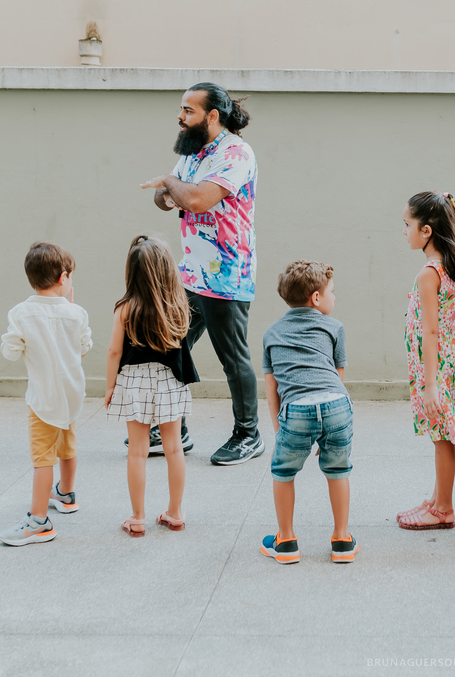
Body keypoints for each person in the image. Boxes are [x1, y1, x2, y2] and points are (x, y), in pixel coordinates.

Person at [140, 82, 261, 466]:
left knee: (232, 357)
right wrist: (173, 188)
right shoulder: (193, 152)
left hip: (226, 274)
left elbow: (195, 199)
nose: (180, 117)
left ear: (212, 116)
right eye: (181, 109)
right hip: (191, 273)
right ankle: (175, 429)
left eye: (188, 111)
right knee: (170, 346)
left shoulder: (235, 153)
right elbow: (164, 200)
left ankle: (249, 435)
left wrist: (171, 185)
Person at [260, 261, 357, 565]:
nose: (334, 297)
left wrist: (280, 430)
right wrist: (325, 427)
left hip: (296, 409)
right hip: (337, 406)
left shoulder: (271, 333)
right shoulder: (334, 327)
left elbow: (272, 388)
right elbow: (337, 378)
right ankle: (342, 540)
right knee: (338, 469)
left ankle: (286, 541)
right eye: (332, 291)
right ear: (316, 298)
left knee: (283, 471)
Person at [0, 242, 92, 546]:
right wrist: (71, 310)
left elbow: (11, 352)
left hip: (44, 400)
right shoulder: (77, 313)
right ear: (64, 277)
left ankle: (38, 521)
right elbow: (83, 349)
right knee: (67, 445)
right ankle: (65, 493)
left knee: (42, 459)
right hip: (72, 396)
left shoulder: (20, 313)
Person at [104, 236, 199, 537]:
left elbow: (114, 352)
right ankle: (175, 513)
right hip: (169, 379)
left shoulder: (124, 308)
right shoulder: (178, 305)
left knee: (137, 451)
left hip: (133, 381)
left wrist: (110, 387)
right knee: (174, 447)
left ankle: (137, 517)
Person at [398, 192, 455, 531]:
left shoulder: (429, 273)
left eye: (407, 225)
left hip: (438, 369)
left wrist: (430, 385)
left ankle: (443, 508)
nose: (404, 231)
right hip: (452, 363)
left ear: (426, 231)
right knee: (446, 433)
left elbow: (431, 331)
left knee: (442, 436)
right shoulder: (452, 264)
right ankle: (437, 499)